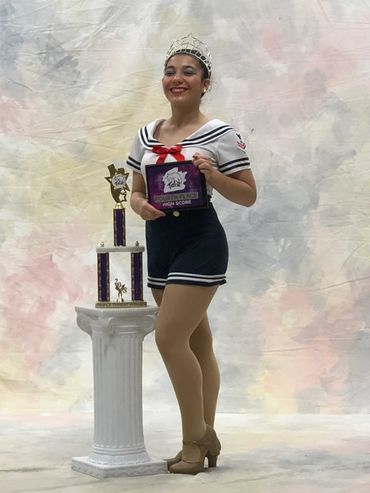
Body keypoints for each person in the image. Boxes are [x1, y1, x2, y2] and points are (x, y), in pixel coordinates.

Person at [126, 34, 257, 475]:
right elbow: (136, 192)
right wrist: (140, 205)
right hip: (161, 242)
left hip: (200, 242)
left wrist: (213, 174)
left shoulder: (220, 134)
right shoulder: (146, 134)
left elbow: (248, 196)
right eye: (170, 71)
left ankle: (194, 441)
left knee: (168, 339)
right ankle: (208, 435)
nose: (177, 78)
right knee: (197, 343)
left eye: (188, 71)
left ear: (206, 83)